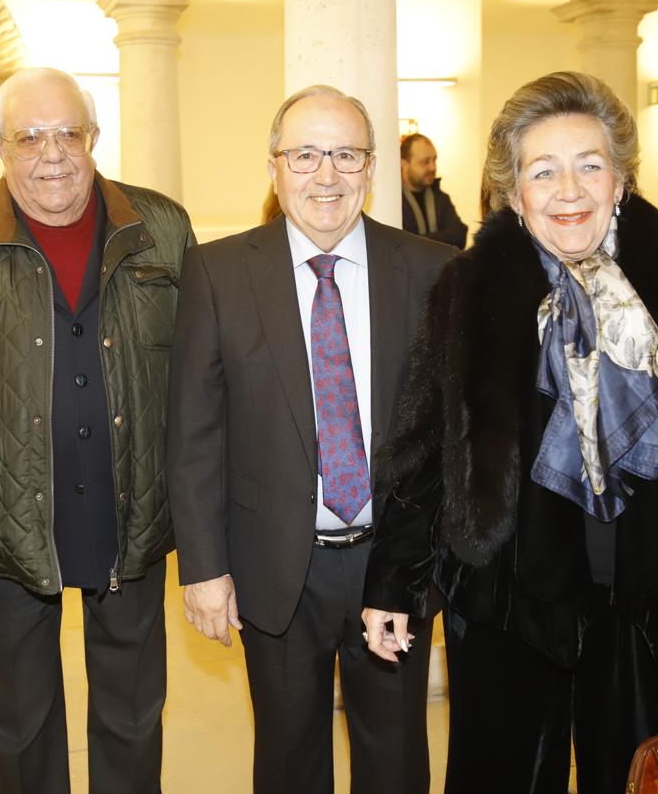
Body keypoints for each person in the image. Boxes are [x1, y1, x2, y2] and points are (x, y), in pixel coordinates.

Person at [361, 71, 658, 793]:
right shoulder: (471, 287)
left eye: (590, 165)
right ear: (514, 190)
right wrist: (394, 584)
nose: (570, 190)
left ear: (620, 179)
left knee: (632, 775)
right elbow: (427, 447)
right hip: (506, 599)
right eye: (544, 170)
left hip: (645, 600)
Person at [0, 67, 194, 794]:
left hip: (128, 501)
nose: (52, 154)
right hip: (4, 512)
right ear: (0, 146)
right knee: (18, 715)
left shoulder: (161, 225)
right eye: (28, 137)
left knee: (134, 711)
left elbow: (202, 366)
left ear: (94, 137)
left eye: (68, 132)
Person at [169, 85, 451, 793]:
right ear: (274, 167)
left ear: (371, 166)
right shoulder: (219, 272)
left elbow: (448, 435)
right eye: (305, 154)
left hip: (393, 563)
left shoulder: (430, 270)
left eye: (345, 154)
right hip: (274, 568)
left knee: (394, 760)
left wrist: (431, 562)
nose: (325, 174)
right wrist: (203, 568)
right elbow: (195, 432)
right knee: (289, 759)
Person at [400, 133, 467, 248]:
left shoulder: (441, 198)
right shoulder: (395, 202)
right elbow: (401, 244)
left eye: (434, 160)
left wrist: (418, 239)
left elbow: (459, 236)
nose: (433, 167)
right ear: (404, 163)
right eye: (425, 162)